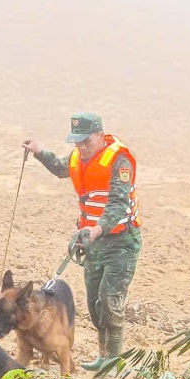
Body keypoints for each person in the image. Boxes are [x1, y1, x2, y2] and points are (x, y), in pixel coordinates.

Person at [22, 112, 141, 358]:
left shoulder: (119, 160)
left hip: (121, 242)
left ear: (100, 135)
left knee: (110, 302)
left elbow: (118, 204)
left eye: (87, 140)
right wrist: (39, 151)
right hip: (93, 241)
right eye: (77, 141)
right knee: (95, 305)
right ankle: (103, 356)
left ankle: (112, 362)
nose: (82, 146)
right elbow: (60, 168)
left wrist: (96, 230)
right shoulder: (78, 156)